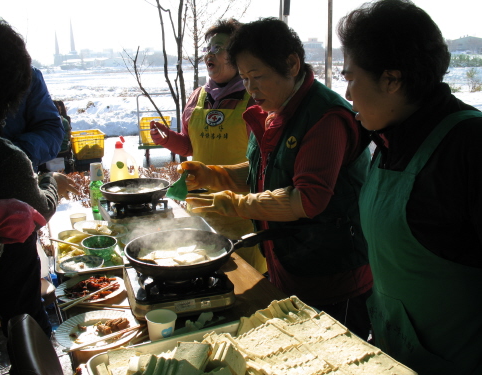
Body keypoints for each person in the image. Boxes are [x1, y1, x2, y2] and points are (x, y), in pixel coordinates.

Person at [180, 17, 373, 339]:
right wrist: (213, 175)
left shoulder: (324, 118)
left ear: (292, 63)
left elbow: (307, 199)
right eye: (244, 78)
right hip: (289, 261)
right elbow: (262, 174)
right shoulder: (276, 108)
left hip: (332, 271)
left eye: (257, 77)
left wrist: (236, 205)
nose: (251, 89)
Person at [337, 0, 482, 373]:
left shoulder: (469, 144)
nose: (348, 93)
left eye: (351, 77)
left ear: (392, 79)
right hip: (394, 354)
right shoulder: (388, 140)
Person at [0, 14, 78, 375]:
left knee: (19, 301)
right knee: (21, 316)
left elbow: (51, 127)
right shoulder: (1, 159)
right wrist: (48, 182)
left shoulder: (7, 152)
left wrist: (22, 150)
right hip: (12, 218)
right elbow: (37, 209)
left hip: (9, 241)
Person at [149, 19, 266, 274]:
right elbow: (190, 146)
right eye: (208, 49)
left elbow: (265, 158)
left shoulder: (254, 99)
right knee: (198, 269)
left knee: (243, 282)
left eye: (218, 48)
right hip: (199, 209)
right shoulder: (198, 96)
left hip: (241, 213)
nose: (209, 55)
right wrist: (168, 139)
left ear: (236, 56)